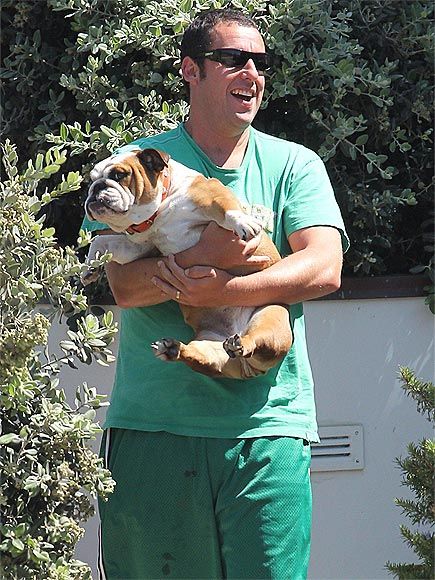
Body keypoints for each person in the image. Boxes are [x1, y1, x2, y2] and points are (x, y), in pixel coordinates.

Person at [82, 8, 349, 579]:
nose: (250, 72)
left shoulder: (295, 164)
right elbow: (119, 286)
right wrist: (207, 256)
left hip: (269, 429)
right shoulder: (135, 166)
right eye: (231, 59)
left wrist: (227, 287)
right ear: (191, 71)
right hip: (154, 429)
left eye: (259, 62)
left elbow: (324, 269)